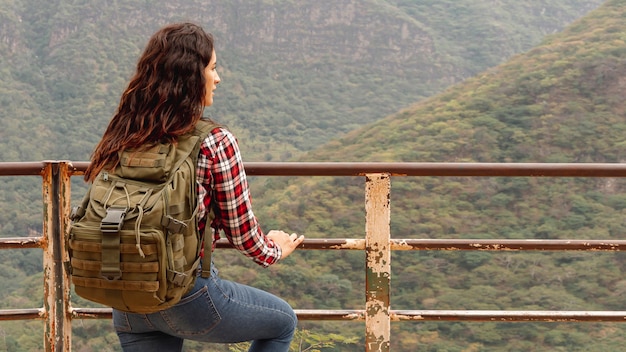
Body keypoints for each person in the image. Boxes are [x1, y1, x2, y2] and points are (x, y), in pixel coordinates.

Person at [84, 22, 305, 352]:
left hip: (126, 297)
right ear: (191, 76)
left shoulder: (126, 132)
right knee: (282, 322)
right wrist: (275, 248)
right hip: (186, 298)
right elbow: (243, 234)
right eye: (212, 68)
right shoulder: (215, 142)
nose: (218, 78)